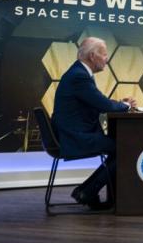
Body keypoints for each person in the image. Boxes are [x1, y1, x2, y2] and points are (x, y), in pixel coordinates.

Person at [52, 37, 136, 208]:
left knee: (121, 148)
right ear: (92, 56)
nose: (107, 59)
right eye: (104, 54)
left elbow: (96, 101)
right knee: (127, 150)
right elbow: (103, 104)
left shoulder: (78, 73)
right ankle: (87, 191)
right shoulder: (79, 76)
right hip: (75, 137)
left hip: (75, 133)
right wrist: (125, 106)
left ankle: (87, 191)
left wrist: (119, 104)